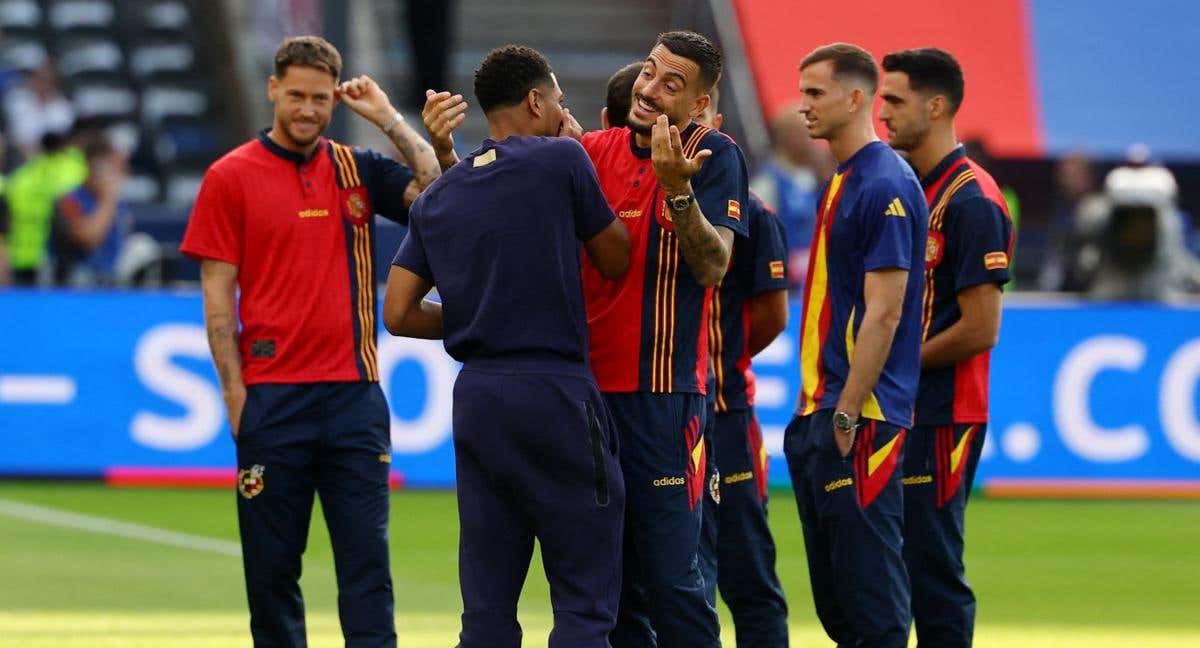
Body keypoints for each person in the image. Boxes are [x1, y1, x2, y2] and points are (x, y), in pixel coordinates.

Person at [179, 35, 441, 647]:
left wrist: (389, 121)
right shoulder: (229, 176)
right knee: (271, 575)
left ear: (334, 100)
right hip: (272, 402)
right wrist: (234, 397)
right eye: (296, 95)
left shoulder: (358, 168)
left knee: (367, 571)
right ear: (273, 89)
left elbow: (437, 193)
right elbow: (218, 296)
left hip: (354, 400)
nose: (307, 109)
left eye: (320, 99)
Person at [386, 44, 632, 648]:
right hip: (554, 390)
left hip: (479, 397)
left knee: (488, 606)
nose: (563, 112)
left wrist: (481, 313)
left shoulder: (441, 195)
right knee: (583, 600)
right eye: (558, 101)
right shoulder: (562, 160)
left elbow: (396, 312)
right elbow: (615, 257)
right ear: (535, 99)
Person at [578, 30, 749, 647]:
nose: (649, 90)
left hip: (664, 397)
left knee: (675, 580)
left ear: (700, 104)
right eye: (650, 72)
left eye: (671, 85)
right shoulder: (591, 150)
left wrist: (677, 188)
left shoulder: (715, 154)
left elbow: (713, 266)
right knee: (608, 585)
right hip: (588, 401)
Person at [784, 43, 928, 648]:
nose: (803, 106)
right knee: (841, 605)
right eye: (803, 92)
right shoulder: (845, 180)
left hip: (860, 418)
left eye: (816, 93)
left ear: (855, 97)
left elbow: (886, 311)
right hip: (826, 411)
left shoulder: (885, 183)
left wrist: (847, 407)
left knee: (870, 606)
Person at [878, 47, 1014, 648]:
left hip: (944, 413)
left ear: (936, 107)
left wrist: (891, 363)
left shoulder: (972, 199)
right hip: (910, 406)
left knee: (931, 570)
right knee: (896, 568)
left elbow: (982, 328)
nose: (882, 113)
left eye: (895, 100)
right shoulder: (910, 186)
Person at [691, 87, 792, 647]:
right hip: (669, 411)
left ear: (717, 121)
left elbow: (773, 316)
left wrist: (716, 362)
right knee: (682, 571)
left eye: (700, 115)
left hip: (727, 412)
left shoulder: (752, 215)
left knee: (747, 569)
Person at [750, 106, 833, 292]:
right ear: (788, 138)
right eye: (806, 133)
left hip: (814, 286)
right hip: (786, 291)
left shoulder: (813, 177)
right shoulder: (767, 184)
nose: (812, 140)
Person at [50, 137, 130, 285]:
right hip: (75, 284)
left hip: (111, 281)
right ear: (94, 166)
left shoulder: (119, 203)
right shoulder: (69, 200)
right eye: (112, 167)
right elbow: (88, 238)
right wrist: (108, 198)